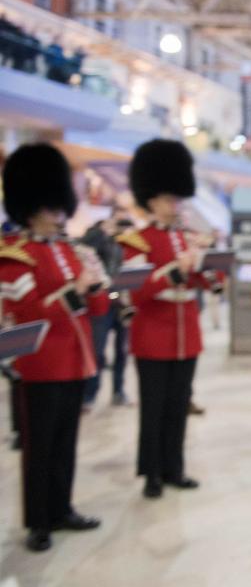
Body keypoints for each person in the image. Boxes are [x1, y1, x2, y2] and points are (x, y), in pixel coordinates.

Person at [0, 143, 106, 552]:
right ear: (31, 207)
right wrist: (75, 290)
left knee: (66, 442)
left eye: (60, 205)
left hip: (75, 360)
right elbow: (26, 312)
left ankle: (62, 507)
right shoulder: (15, 256)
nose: (59, 212)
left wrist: (95, 284)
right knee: (39, 446)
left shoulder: (68, 249)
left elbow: (94, 308)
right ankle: (37, 521)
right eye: (50, 206)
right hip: (41, 363)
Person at [119, 139, 223, 500]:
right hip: (153, 335)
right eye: (168, 199)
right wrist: (174, 271)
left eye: (177, 199)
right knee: (154, 409)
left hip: (185, 334)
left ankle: (174, 467)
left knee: (179, 406)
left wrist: (209, 264)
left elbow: (207, 282)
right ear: (151, 201)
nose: (174, 206)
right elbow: (136, 290)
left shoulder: (187, 238)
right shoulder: (136, 241)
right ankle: (151, 472)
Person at [80, 211, 134, 410]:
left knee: (122, 350)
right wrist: (103, 231)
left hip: (121, 300)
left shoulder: (126, 242)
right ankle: (90, 394)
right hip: (101, 301)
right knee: (98, 350)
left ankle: (119, 391)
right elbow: (85, 247)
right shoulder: (97, 236)